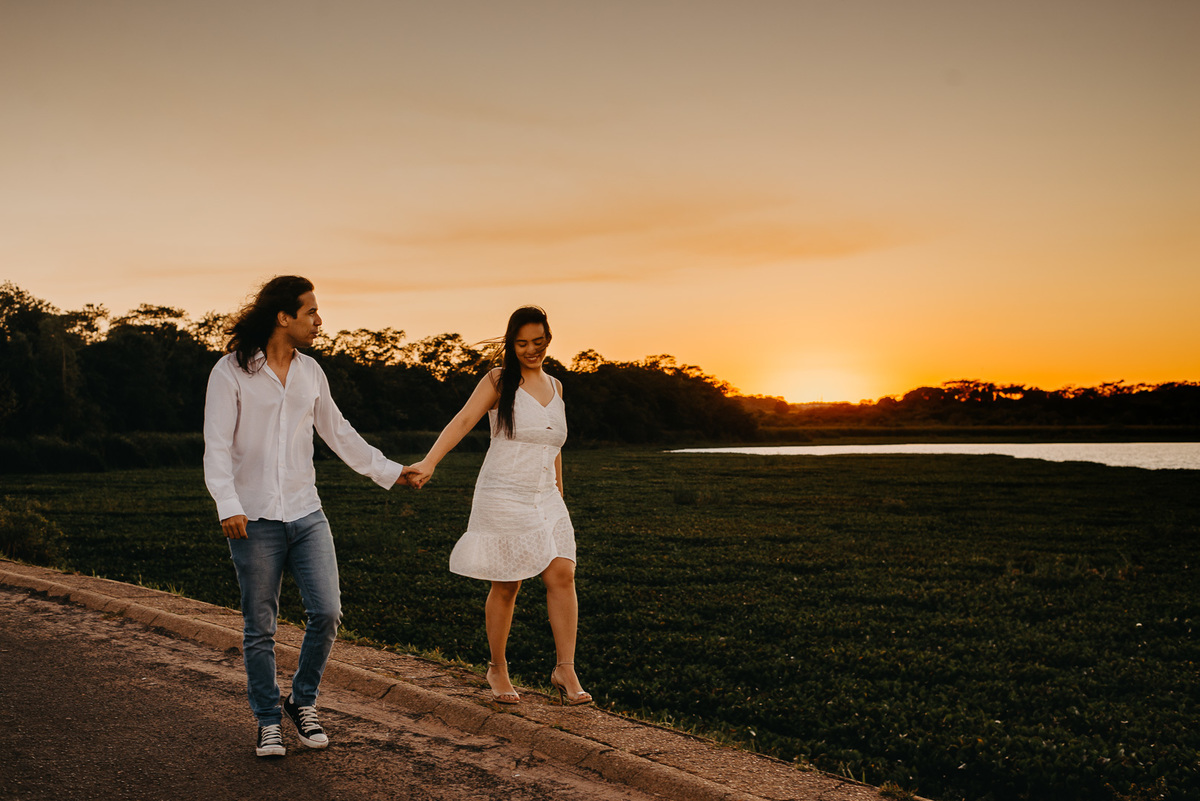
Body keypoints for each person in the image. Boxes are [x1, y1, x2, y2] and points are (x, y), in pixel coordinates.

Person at [203, 275, 416, 757]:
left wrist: (391, 471)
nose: (320, 321)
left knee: (327, 612)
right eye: (312, 312)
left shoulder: (311, 372)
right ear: (284, 317)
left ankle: (302, 701)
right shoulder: (231, 371)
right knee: (260, 626)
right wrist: (228, 505)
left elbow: (339, 433)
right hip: (253, 518)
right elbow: (216, 446)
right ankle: (266, 720)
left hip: (306, 511)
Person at [406, 306, 591, 707]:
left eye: (538, 342)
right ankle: (497, 666)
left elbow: (552, 445)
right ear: (511, 343)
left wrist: (560, 495)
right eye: (522, 343)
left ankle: (565, 667)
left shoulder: (557, 387)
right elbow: (463, 420)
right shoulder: (499, 381)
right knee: (507, 583)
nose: (531, 350)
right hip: (504, 492)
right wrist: (429, 462)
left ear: (549, 340)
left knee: (563, 574)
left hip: (546, 497)